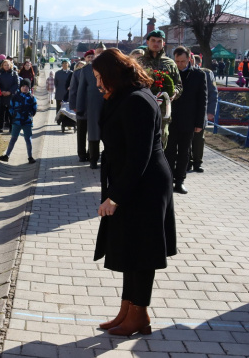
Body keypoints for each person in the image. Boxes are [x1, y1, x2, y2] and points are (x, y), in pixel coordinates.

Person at [91, 48, 177, 337]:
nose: (98, 83)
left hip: (146, 184)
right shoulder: (123, 97)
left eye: (100, 77)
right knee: (130, 247)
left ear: (112, 74)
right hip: (134, 181)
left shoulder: (137, 101)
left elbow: (139, 157)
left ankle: (139, 315)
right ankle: (127, 309)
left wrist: (115, 197)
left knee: (142, 251)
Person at [164, 47, 207, 194]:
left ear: (189, 59)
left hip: (188, 120)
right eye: (177, 61)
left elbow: (202, 100)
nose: (180, 64)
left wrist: (199, 123)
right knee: (169, 151)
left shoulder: (198, 75)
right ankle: (168, 180)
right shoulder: (169, 73)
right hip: (170, 119)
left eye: (182, 61)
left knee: (184, 152)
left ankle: (180, 181)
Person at [139, 29, 183, 148]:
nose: (156, 43)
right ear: (147, 42)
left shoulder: (170, 63)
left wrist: (174, 92)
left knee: (161, 142)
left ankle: (157, 166)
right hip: (143, 109)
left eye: (159, 41)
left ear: (163, 43)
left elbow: (179, 85)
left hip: (163, 110)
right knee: (142, 142)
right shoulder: (139, 62)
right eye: (153, 40)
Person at [188, 55, 218, 173]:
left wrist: (211, 111)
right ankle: (187, 161)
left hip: (201, 111)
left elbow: (213, 93)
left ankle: (197, 162)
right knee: (185, 139)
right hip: (186, 112)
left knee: (198, 139)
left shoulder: (205, 73)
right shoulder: (180, 71)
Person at [76, 48, 105, 169]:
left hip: (110, 104)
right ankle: (93, 159)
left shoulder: (113, 67)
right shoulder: (86, 70)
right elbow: (81, 90)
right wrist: (80, 107)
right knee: (94, 134)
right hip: (93, 107)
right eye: (97, 53)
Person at [0, 79, 38, 164]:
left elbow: (34, 109)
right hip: (16, 122)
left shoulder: (32, 98)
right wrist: (14, 115)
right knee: (13, 139)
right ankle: (7, 155)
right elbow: (10, 107)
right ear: (20, 87)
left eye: (27, 86)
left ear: (29, 88)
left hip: (27, 122)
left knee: (28, 139)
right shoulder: (15, 97)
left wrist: (29, 115)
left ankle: (30, 157)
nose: (25, 88)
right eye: (23, 86)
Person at [69, 50, 94, 162]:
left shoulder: (99, 71)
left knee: (93, 132)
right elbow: (73, 90)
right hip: (82, 107)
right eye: (89, 57)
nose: (91, 59)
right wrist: (74, 105)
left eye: (93, 57)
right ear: (85, 58)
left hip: (94, 108)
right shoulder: (78, 72)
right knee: (81, 132)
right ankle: (81, 154)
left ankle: (92, 153)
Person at [0, 59, 20, 132]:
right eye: (5, 65)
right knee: (1, 112)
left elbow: (17, 84)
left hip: (11, 95)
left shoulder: (14, 73)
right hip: (2, 95)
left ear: (11, 65)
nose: (6, 66)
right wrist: (1, 91)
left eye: (8, 65)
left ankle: (11, 127)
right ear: (2, 66)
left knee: (10, 112)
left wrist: (10, 91)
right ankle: (1, 127)